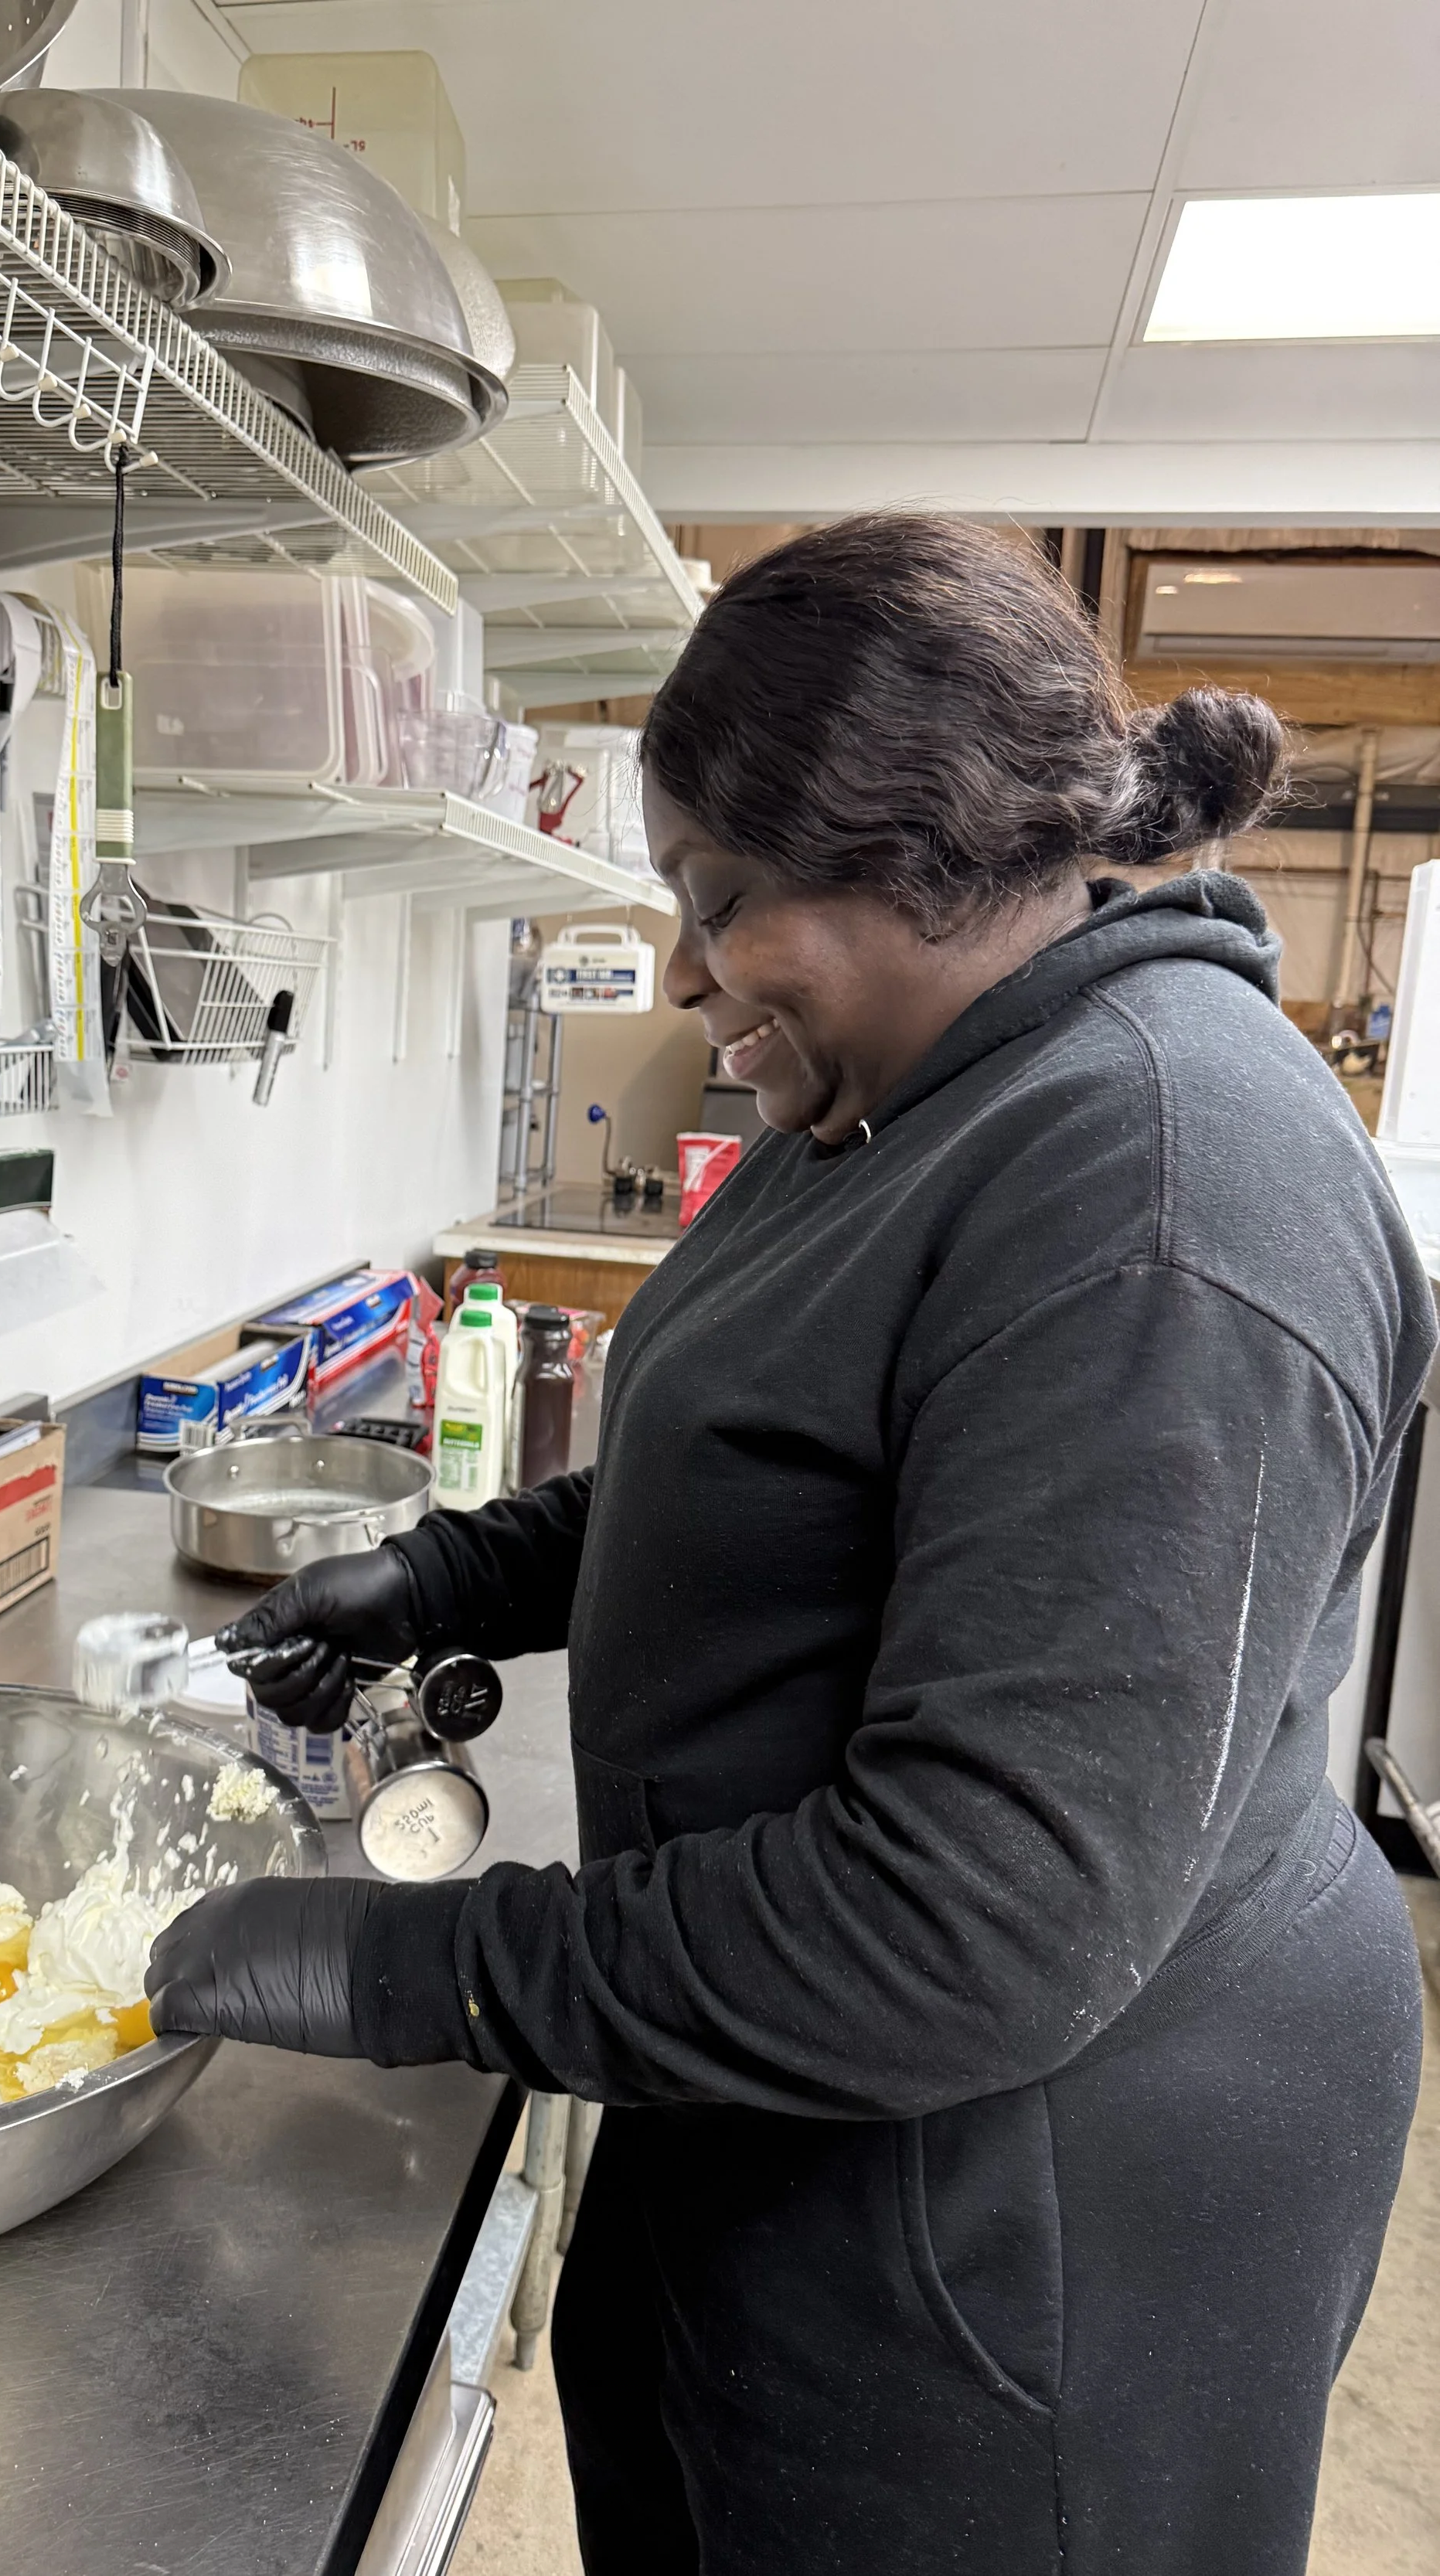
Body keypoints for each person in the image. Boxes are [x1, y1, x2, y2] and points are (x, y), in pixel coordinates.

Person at [146, 516, 1434, 2574]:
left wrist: (406, 1966)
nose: (679, 967)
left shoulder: (1154, 1190)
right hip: (806, 2101)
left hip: (1019, 2222)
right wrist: (461, 1575)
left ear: (918, 859)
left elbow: (972, 1922)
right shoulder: (900, 1099)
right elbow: (775, 1458)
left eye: (719, 897)